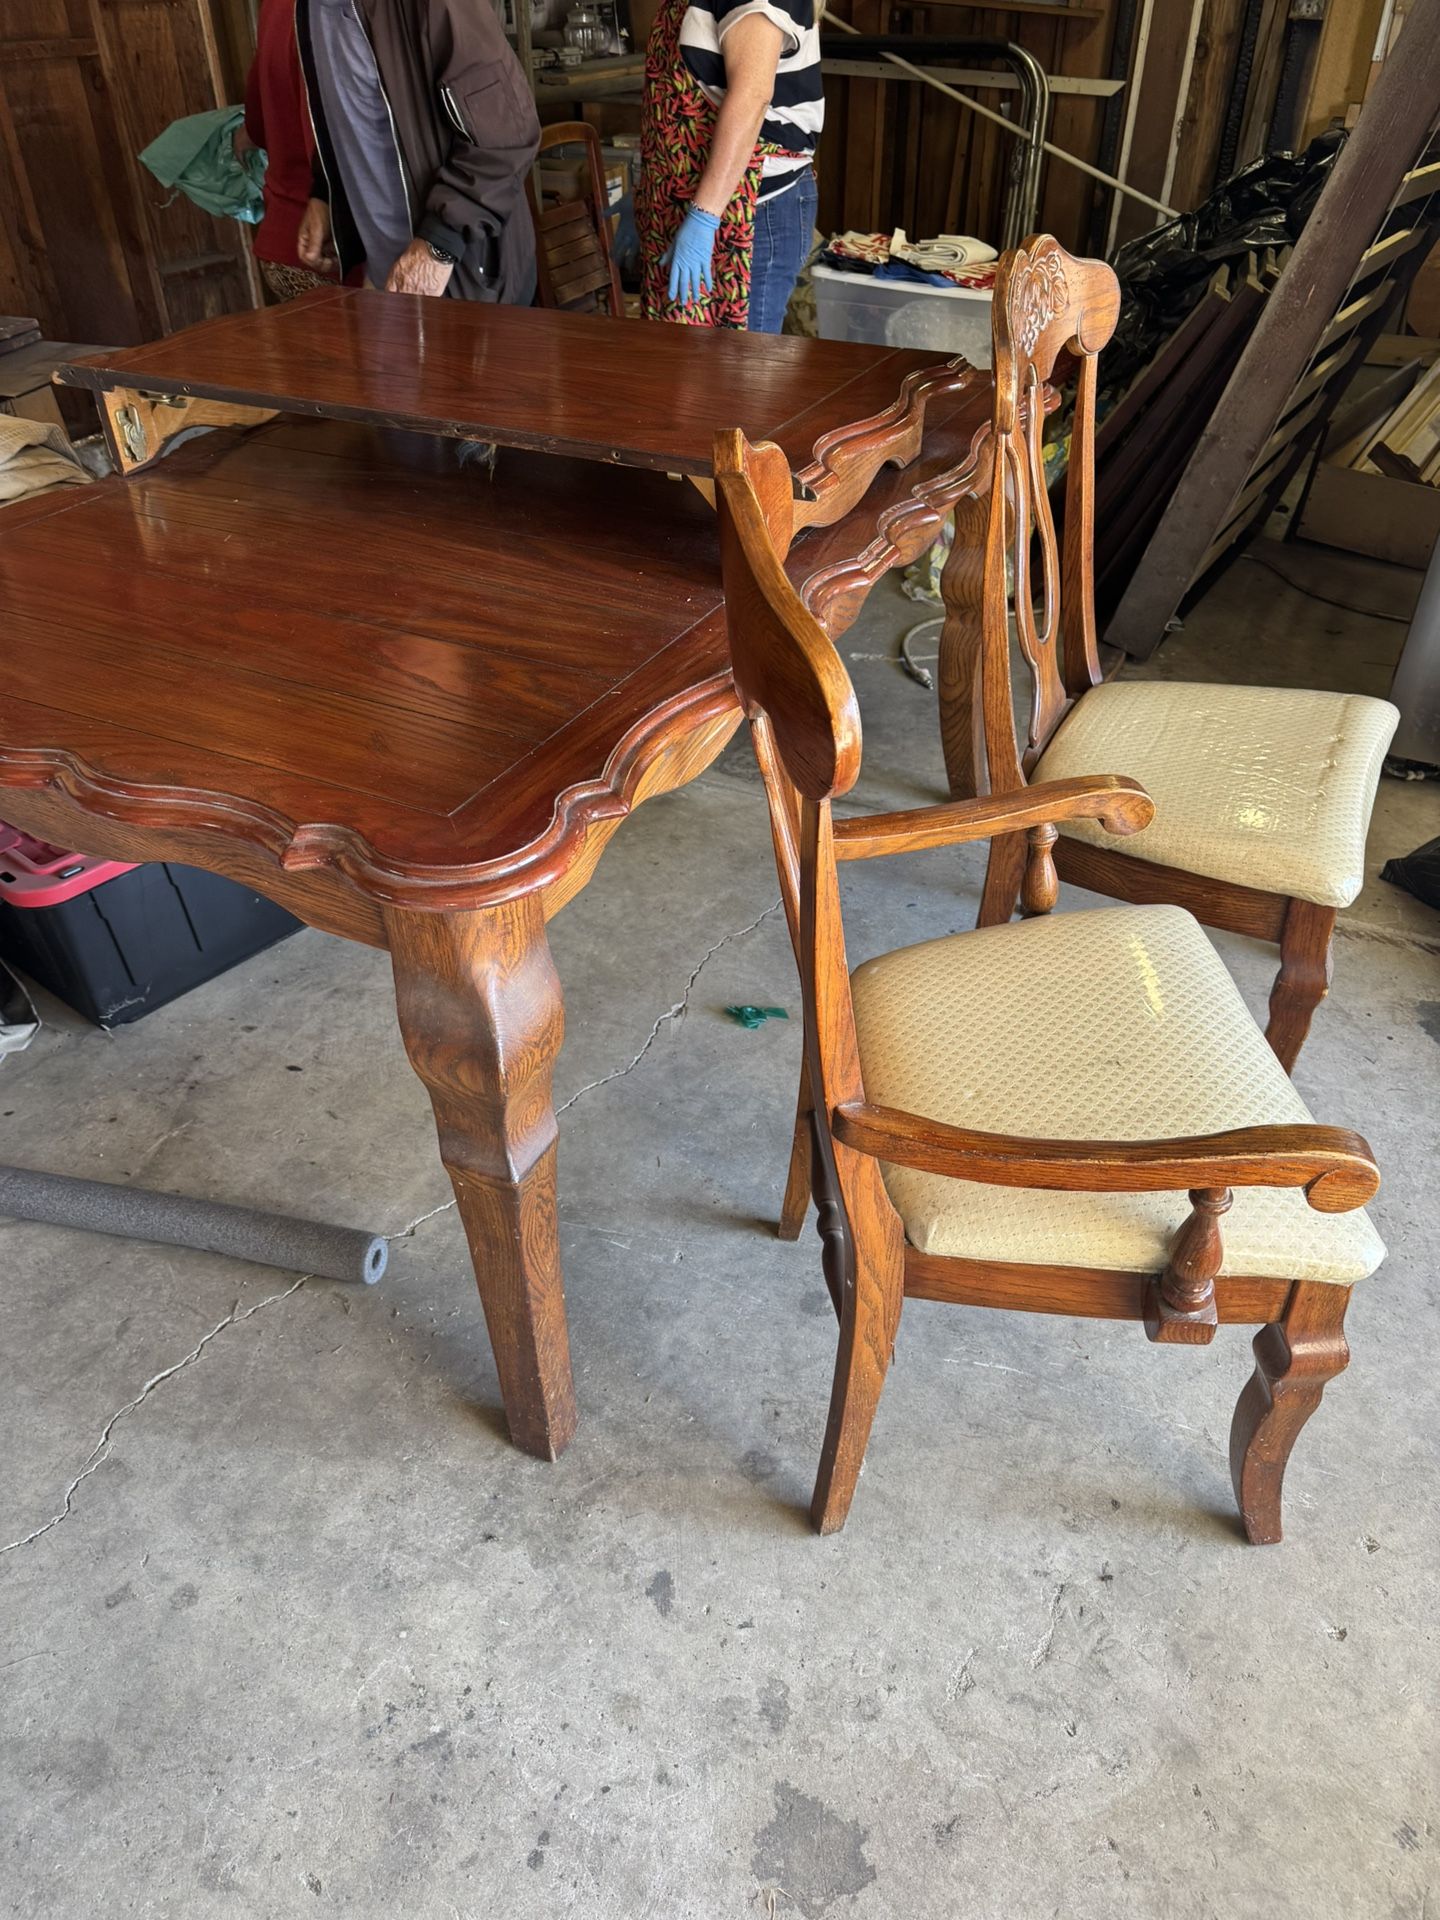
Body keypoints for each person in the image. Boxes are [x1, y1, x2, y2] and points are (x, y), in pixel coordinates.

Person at [292, 0, 540, 303]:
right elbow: (348, 112)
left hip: (458, 276)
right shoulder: (311, 7)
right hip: (389, 276)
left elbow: (507, 132)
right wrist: (326, 193)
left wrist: (439, 244)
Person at [637, 0, 822, 332]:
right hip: (689, 201)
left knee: (737, 371)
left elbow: (752, 97)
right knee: (687, 368)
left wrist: (703, 217)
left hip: (747, 210)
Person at [237, 0, 347, 301]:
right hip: (332, 249)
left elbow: (256, 126)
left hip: (282, 246)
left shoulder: (275, 6)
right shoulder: (349, 11)